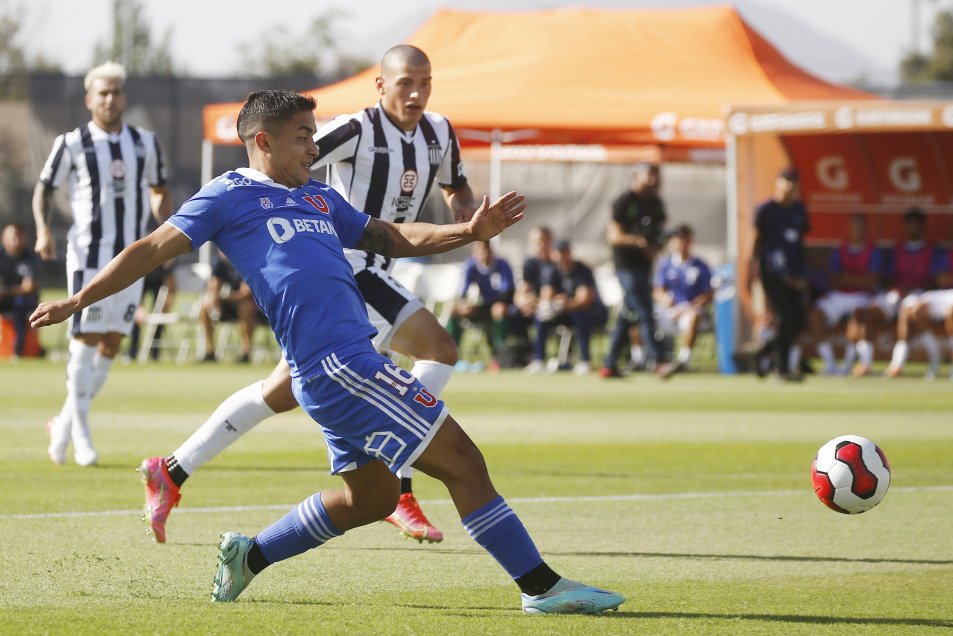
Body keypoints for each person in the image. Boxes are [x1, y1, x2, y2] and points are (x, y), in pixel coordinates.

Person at [30, 90, 624, 615]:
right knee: (463, 461)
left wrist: (466, 232)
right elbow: (150, 248)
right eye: (303, 137)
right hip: (342, 367)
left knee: (373, 498)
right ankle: (540, 586)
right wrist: (78, 297)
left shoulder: (316, 197)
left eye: (314, 137)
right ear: (262, 141)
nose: (314, 148)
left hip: (338, 369)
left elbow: (390, 235)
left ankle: (251, 555)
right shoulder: (228, 195)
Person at [137, 45, 476, 544]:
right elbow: (283, 152)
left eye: (425, 82)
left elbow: (457, 186)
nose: (417, 93)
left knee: (284, 391)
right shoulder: (357, 129)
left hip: (381, 268)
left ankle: (172, 470)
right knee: (439, 349)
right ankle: (399, 482)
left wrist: (470, 220)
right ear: (381, 86)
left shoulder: (439, 133)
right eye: (406, 83)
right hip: (347, 267)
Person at [32, 61, 170, 466]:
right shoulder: (72, 143)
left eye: (116, 92)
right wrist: (42, 230)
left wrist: (164, 212)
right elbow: (43, 191)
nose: (110, 99)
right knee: (86, 340)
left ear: (124, 97)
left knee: (112, 342)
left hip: (133, 257)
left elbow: (159, 189)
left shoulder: (145, 142)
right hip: (89, 256)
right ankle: (83, 438)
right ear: (89, 99)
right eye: (102, 93)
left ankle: (64, 424)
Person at [599, 162, 670, 379]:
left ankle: (609, 364)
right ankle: (658, 361)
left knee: (628, 314)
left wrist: (655, 247)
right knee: (644, 309)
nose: (652, 180)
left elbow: (661, 232)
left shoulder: (656, 203)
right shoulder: (625, 201)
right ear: (636, 176)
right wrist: (637, 241)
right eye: (648, 175)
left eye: (655, 175)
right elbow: (613, 236)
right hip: (626, 267)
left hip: (644, 266)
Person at [749, 167, 809, 382]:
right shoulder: (765, 209)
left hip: (794, 272)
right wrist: (752, 271)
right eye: (785, 180)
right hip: (772, 272)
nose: (789, 185)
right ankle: (781, 369)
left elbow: (799, 242)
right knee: (785, 318)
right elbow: (757, 241)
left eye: (793, 181)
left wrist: (802, 272)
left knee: (799, 322)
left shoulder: (799, 209)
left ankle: (765, 351)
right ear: (777, 182)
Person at [808, 214, 883, 376]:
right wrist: (858, 279)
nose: (857, 230)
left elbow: (871, 281)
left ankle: (849, 364)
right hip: (839, 295)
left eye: (860, 227)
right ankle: (830, 363)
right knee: (815, 316)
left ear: (865, 230)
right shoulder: (840, 250)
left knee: (857, 317)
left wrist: (847, 278)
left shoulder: (872, 250)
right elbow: (834, 280)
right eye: (854, 227)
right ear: (849, 229)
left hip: (863, 296)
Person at [525, 240, 607, 375]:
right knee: (541, 317)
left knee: (581, 316)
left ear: (569, 253)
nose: (561, 257)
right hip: (566, 312)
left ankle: (585, 361)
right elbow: (547, 294)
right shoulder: (552, 271)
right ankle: (538, 360)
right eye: (558, 253)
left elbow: (584, 300)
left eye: (564, 253)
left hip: (592, 312)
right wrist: (554, 303)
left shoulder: (582, 270)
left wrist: (565, 302)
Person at [652, 224, 713, 375]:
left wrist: (686, 307)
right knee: (637, 315)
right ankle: (644, 359)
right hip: (668, 311)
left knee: (693, 315)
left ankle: (683, 361)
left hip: (689, 311)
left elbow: (708, 294)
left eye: (685, 239)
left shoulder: (700, 266)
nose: (681, 242)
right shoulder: (665, 264)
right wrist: (666, 301)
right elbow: (658, 291)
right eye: (678, 239)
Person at [445, 240, 515, 369]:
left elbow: (508, 291)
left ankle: (499, 357)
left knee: (498, 310)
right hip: (481, 307)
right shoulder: (470, 266)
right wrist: (464, 304)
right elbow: (463, 292)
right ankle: (451, 355)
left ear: (491, 251)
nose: (482, 254)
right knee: (454, 310)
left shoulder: (502, 264)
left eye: (485, 250)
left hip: (499, 306)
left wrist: (500, 303)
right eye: (479, 251)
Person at [198, 251, 264, 363]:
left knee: (246, 307)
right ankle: (209, 352)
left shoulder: (246, 262)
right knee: (205, 307)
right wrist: (214, 301)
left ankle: (245, 352)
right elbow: (214, 287)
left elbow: (246, 293)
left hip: (256, 307)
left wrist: (225, 298)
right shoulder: (220, 264)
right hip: (232, 303)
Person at [0, 223, 40, 357]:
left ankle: (18, 349)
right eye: (12, 237)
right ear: (3, 238)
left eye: (19, 237)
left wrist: (5, 292)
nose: (16, 241)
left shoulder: (30, 257)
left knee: (20, 303)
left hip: (24, 300)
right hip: (4, 299)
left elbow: (29, 287)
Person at [126, 258, 176, 362]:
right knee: (136, 315)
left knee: (160, 315)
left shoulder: (165, 267)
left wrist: (169, 297)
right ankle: (132, 352)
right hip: (142, 276)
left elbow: (170, 277)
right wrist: (138, 305)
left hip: (159, 278)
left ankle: (155, 353)